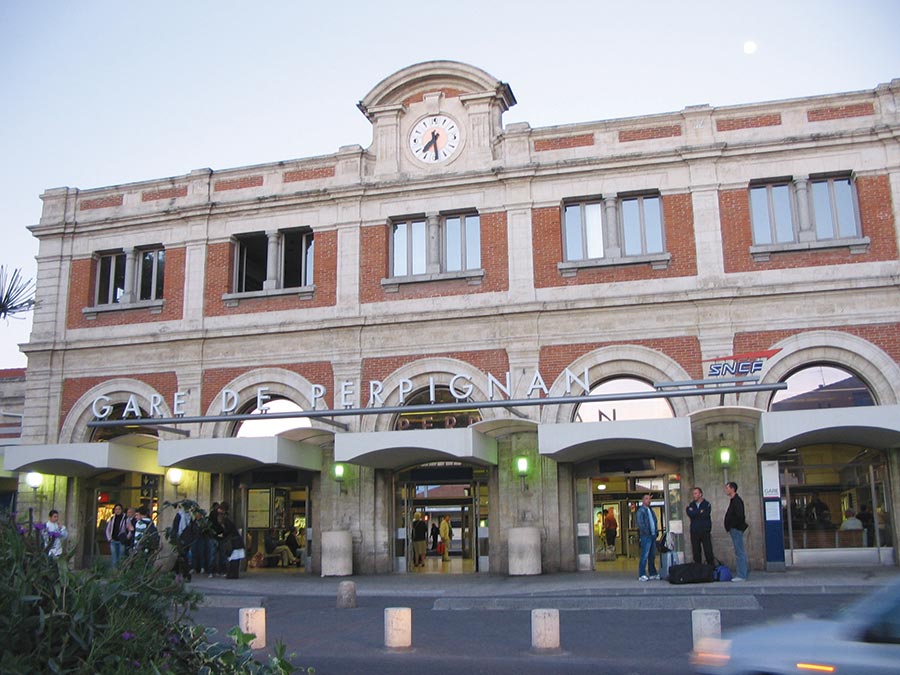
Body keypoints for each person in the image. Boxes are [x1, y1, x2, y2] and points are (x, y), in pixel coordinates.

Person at [724, 481, 749, 581]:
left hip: (736, 529)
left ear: (732, 489)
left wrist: (732, 525)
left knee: (740, 552)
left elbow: (740, 516)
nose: (725, 490)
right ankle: (741, 574)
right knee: (738, 551)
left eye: (727, 488)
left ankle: (742, 575)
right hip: (734, 529)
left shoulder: (737, 501)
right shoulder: (733, 500)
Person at [686, 487, 715, 565]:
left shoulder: (706, 504)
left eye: (695, 493)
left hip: (705, 531)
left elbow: (705, 514)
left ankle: (711, 569)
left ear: (700, 494)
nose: (694, 495)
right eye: (693, 494)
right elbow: (690, 513)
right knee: (696, 552)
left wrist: (695, 512)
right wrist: (699, 512)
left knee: (708, 551)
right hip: (695, 531)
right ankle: (698, 570)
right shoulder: (691, 504)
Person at [636, 494, 659, 581]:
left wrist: (655, 532)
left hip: (652, 535)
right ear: (643, 500)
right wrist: (647, 532)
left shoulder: (650, 510)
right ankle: (642, 574)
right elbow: (640, 524)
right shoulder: (641, 511)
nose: (648, 500)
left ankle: (652, 573)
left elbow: (654, 522)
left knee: (652, 555)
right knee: (644, 555)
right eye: (646, 499)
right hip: (646, 536)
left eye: (649, 499)